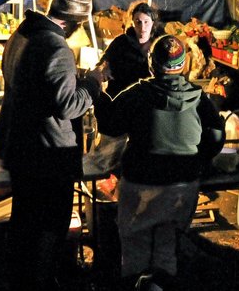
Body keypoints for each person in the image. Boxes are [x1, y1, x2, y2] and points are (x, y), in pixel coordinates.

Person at [0, 0, 105, 290]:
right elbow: (68, 106)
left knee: (25, 223)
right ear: (73, 22)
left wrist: (74, 80)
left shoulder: (21, 34)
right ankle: (41, 282)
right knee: (47, 228)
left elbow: (38, 87)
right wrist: (93, 84)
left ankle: (22, 281)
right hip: (47, 154)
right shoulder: (56, 47)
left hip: (20, 146)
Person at [94, 34, 225, 288]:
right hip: (181, 186)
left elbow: (110, 124)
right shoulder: (200, 99)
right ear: (183, 65)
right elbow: (216, 137)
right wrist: (197, 160)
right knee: (167, 244)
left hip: (141, 184)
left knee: (135, 246)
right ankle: (161, 284)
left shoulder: (138, 94)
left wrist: (98, 94)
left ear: (152, 64)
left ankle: (138, 284)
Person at [98, 0, 163, 96]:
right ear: (132, 22)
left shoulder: (159, 46)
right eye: (138, 22)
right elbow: (104, 61)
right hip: (119, 95)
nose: (142, 27)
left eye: (146, 22)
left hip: (145, 97)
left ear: (153, 23)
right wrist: (104, 67)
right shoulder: (121, 42)